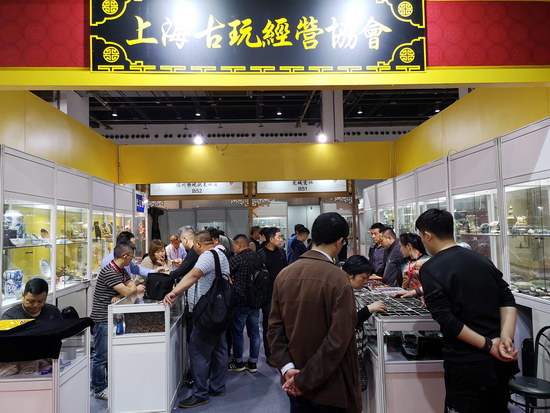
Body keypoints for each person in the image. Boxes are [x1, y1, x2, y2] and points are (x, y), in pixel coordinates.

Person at [416, 209, 518, 412]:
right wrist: (506, 338)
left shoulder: (431, 268)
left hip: (466, 364)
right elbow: (506, 297)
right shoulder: (481, 259)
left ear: (427, 235)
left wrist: (489, 346)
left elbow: (446, 319)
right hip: (499, 361)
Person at [268, 213, 362, 413]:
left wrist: (287, 368)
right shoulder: (339, 279)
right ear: (340, 242)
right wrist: (305, 379)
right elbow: (338, 339)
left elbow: (274, 328)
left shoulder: (284, 275)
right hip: (331, 385)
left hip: (293, 378)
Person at [163, 231, 230, 409]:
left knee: (198, 351)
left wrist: (174, 292)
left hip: (206, 313)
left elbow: (193, 275)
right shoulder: (221, 254)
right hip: (220, 311)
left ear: (199, 243)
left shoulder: (208, 256)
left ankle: (200, 394)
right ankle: (217, 387)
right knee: (219, 349)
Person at [91, 241, 144, 400]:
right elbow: (130, 291)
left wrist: (122, 293)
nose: (132, 260)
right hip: (102, 319)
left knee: (110, 354)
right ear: (125, 256)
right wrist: (127, 291)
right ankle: (99, 388)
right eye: (132, 257)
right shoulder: (110, 271)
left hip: (113, 316)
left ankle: (109, 383)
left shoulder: (120, 270)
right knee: (101, 356)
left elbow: (130, 286)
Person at [342, 255, 387, 391]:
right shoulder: (342, 292)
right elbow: (349, 321)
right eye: (363, 278)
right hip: (349, 354)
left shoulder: (347, 289)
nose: (366, 282)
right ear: (350, 275)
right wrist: (369, 309)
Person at [227, 234, 262, 373]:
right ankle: (253, 363)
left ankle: (238, 362)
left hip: (240, 301)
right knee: (254, 333)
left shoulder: (238, 258)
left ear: (238, 245)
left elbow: (225, 272)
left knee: (238, 333)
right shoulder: (257, 257)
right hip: (256, 301)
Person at [257, 226, 287, 365]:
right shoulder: (260, 254)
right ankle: (270, 354)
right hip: (267, 297)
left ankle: (282, 353)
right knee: (268, 326)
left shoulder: (282, 252)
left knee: (283, 325)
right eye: (279, 237)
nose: (281, 240)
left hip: (282, 295)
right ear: (271, 239)